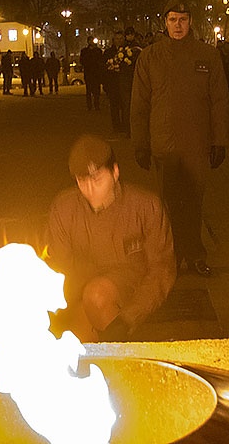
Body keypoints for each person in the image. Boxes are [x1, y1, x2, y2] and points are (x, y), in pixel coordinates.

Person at [130, 0, 229, 277]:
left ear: (190, 22)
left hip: (196, 145)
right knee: (169, 206)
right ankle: (172, 257)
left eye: (183, 20)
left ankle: (195, 254)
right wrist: (141, 144)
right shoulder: (150, 57)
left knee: (194, 203)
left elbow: (219, 100)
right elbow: (139, 104)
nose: (178, 25)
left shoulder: (207, 56)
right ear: (165, 22)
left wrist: (219, 140)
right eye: (172, 20)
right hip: (164, 146)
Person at [45, 135, 176, 342]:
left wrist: (128, 318)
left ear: (115, 172)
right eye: (82, 181)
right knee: (77, 350)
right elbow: (60, 267)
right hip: (83, 294)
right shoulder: (64, 209)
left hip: (134, 292)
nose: (90, 190)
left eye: (97, 180)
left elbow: (162, 270)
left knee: (97, 296)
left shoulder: (146, 206)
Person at [80, 39, 104, 111]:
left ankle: (96, 105)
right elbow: (82, 61)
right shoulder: (85, 51)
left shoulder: (98, 51)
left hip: (95, 73)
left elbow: (101, 61)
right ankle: (90, 106)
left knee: (96, 91)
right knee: (89, 91)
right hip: (89, 73)